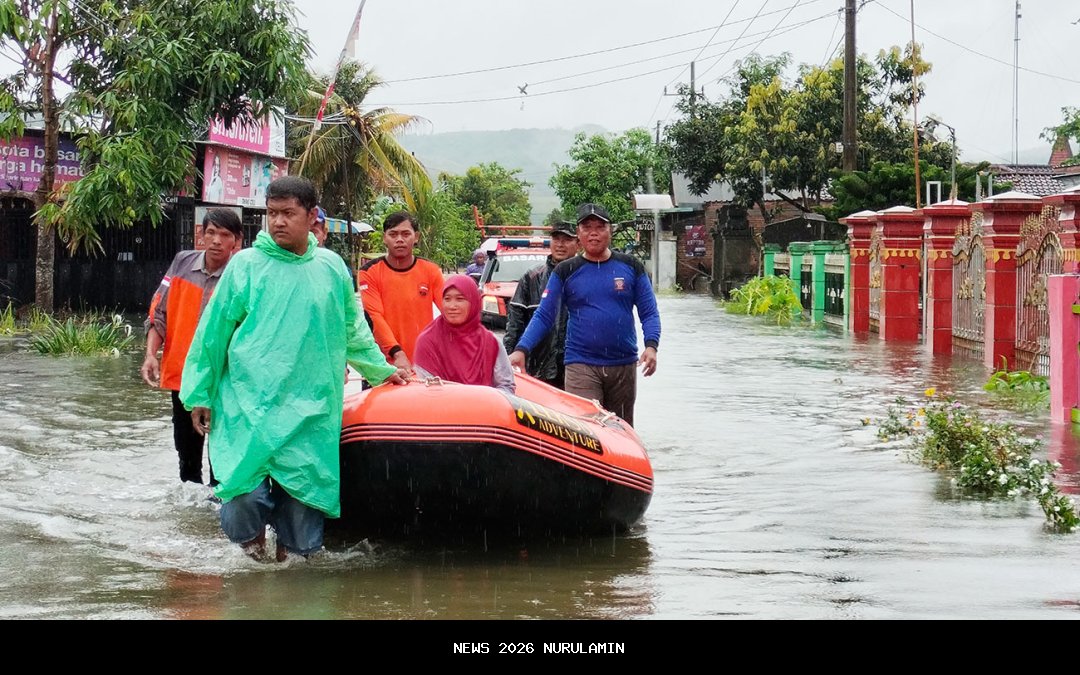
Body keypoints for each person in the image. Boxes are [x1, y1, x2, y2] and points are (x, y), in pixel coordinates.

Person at [180, 176, 408, 563]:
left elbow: (352, 329)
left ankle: (289, 572)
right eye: (272, 213)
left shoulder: (332, 268)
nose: (279, 222)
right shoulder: (246, 267)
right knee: (241, 496)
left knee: (302, 503)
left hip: (310, 407)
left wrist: (383, 370)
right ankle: (251, 564)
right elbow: (212, 333)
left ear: (312, 216)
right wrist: (200, 394)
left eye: (288, 213)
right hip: (248, 404)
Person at [509, 203, 660, 427]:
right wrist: (521, 349)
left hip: (623, 364)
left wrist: (651, 346)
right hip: (581, 364)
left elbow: (649, 312)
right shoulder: (566, 271)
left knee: (621, 429)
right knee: (585, 431)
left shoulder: (631, 266)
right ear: (579, 234)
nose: (594, 233)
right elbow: (544, 316)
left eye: (600, 227)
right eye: (587, 227)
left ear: (611, 231)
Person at [141, 207, 243, 485]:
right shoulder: (182, 263)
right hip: (183, 375)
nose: (216, 241)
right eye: (211, 233)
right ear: (201, 235)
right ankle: (190, 522)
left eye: (225, 235)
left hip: (225, 379)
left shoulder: (240, 276)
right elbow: (159, 313)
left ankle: (218, 515)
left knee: (222, 461)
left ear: (237, 241)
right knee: (187, 459)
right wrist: (151, 354)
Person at [357, 211, 444, 373]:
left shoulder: (431, 271)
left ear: (416, 237)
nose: (399, 240)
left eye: (405, 234)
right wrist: (396, 353)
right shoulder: (369, 272)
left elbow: (450, 311)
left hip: (423, 362)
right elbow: (374, 316)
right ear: (384, 238)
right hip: (382, 364)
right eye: (393, 234)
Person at [502, 221, 580, 389]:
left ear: (578, 244)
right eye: (556, 239)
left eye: (567, 239)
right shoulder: (531, 278)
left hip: (577, 369)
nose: (560, 244)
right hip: (537, 368)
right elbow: (514, 325)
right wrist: (509, 360)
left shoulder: (585, 278)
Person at [413, 274, 515, 394]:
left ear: (473, 302)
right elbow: (427, 393)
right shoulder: (428, 341)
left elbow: (506, 387)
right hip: (441, 409)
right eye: (447, 299)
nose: (452, 306)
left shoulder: (490, 342)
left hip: (485, 409)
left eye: (460, 299)